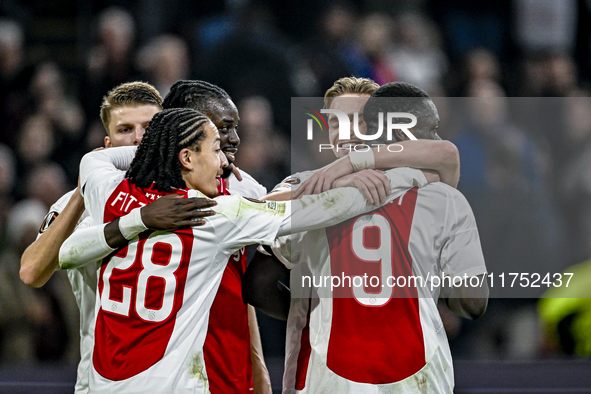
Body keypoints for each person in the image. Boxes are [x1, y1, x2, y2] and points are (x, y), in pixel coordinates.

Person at [58, 107, 433, 393]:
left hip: (108, 383)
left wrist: (138, 219)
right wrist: (385, 176)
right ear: (186, 159)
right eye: (216, 149)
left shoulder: (105, 189)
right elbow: (321, 209)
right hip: (171, 383)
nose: (224, 162)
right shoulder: (216, 214)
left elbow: (69, 247)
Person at [244, 80, 487, 393]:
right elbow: (471, 301)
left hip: (327, 378)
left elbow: (258, 284)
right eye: (334, 122)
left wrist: (317, 317)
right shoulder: (434, 190)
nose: (344, 131)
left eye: (357, 120)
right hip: (418, 379)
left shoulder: (302, 191)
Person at [19, 82, 215, 394]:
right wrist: (83, 192)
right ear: (108, 144)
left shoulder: (194, 200)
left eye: (148, 127)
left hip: (177, 382)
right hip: (103, 380)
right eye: (125, 130)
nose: (138, 139)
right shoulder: (78, 204)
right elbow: (31, 271)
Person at [162, 80, 270, 394]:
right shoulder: (145, 198)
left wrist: (258, 366)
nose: (234, 139)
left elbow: (239, 283)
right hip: (171, 370)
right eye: (223, 129)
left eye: (235, 128)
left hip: (229, 365)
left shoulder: (243, 187)